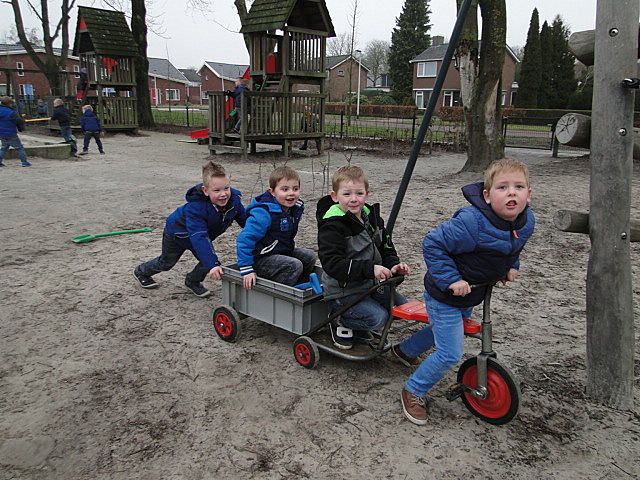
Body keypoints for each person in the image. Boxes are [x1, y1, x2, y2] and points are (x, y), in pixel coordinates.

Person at [395, 158, 535, 425]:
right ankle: (413, 390)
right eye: (503, 187)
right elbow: (433, 244)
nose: (512, 193)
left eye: (518, 187)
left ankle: (404, 350)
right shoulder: (472, 222)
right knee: (450, 352)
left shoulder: (525, 222)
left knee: (447, 330)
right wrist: (452, 280)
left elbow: (512, 248)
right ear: (487, 195)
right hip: (445, 294)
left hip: (473, 292)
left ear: (528, 194)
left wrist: (511, 266)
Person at [316, 165, 410, 350]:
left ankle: (359, 323)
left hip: (369, 285)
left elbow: (386, 248)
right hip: (343, 291)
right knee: (378, 318)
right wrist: (370, 269)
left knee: (401, 308)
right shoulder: (332, 226)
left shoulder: (372, 218)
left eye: (359, 193)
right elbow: (332, 264)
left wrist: (394, 266)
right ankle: (338, 321)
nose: (353, 199)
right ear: (335, 196)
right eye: (347, 194)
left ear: (367, 194)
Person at [134, 161, 246, 298]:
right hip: (178, 234)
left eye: (226, 188)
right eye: (217, 190)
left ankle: (192, 280)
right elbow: (199, 236)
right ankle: (141, 272)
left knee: (207, 262)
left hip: (201, 236)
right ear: (205, 191)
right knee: (167, 263)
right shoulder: (196, 208)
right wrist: (212, 265)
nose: (223, 194)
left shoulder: (234, 203)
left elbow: (246, 222)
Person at [236, 166, 316, 290]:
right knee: (293, 265)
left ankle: (300, 288)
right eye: (285, 189)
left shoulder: (293, 209)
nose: (291, 193)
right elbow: (244, 239)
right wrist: (247, 269)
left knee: (309, 256)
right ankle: (281, 294)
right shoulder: (264, 213)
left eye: (295, 189)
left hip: (280, 252)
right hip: (260, 259)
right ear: (272, 192)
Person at [0, 96, 30, 167]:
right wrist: (23, 121)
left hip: (1, 133)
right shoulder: (11, 112)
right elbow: (18, 121)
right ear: (9, 104)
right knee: (19, 148)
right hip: (11, 133)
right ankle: (24, 162)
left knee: (4, 148)